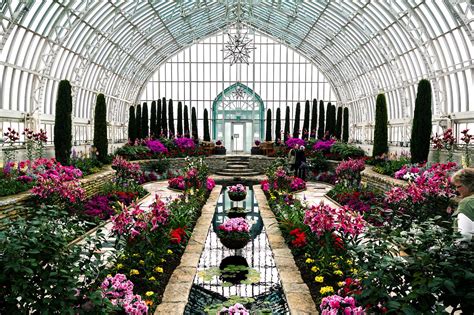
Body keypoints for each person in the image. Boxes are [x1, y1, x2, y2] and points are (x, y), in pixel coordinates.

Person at [451, 168, 474, 241]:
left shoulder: (467, 202)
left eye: (459, 186)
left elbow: (464, 236)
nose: (456, 190)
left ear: (469, 185)